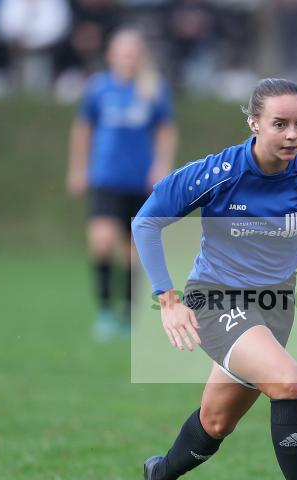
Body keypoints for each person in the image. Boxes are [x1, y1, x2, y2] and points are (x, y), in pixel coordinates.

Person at [131, 78, 297, 480]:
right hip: (215, 298)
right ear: (254, 122)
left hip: (274, 308)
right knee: (289, 383)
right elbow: (146, 221)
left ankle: (159, 474)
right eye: (279, 124)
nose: (292, 134)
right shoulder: (219, 172)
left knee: (215, 423)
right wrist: (168, 299)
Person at [67, 28, 177, 341]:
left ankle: (129, 314)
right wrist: (78, 169)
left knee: (133, 253)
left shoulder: (153, 88)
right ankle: (104, 311)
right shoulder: (98, 89)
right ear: (111, 55)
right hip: (105, 179)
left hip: (140, 182)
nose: (128, 58)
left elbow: (166, 129)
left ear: (141, 56)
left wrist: (162, 165)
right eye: (122, 52)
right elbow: (83, 129)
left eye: (133, 52)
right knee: (101, 241)